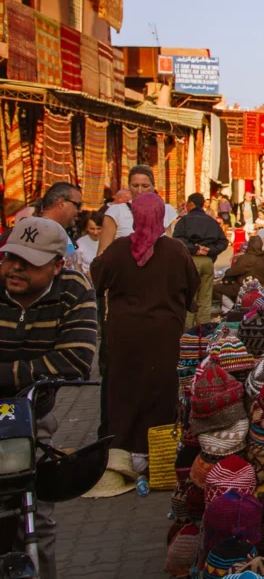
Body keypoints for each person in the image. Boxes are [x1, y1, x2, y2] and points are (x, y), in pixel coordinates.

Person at [0, 217, 96, 579]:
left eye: (30, 261)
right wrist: (33, 367)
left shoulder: (73, 288)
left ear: (57, 266)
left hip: (28, 416)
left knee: (36, 517)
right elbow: (53, 363)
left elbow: (74, 360)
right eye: (11, 257)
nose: (16, 268)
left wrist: (7, 374)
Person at [91, 193, 199, 472]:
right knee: (160, 388)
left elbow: (96, 277)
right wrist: (185, 305)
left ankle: (123, 450)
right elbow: (192, 285)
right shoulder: (176, 250)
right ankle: (156, 451)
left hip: (123, 334)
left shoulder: (117, 250)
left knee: (123, 387)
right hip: (164, 334)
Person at [173, 193, 228, 326]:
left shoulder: (184, 221)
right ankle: (202, 333)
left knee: (189, 298)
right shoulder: (212, 221)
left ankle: (188, 334)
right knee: (205, 300)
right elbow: (223, 242)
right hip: (207, 262)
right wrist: (210, 250)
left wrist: (194, 248)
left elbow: (177, 240)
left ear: (191, 204)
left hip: (190, 261)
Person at [97, 165, 179, 255]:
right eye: (135, 186)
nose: (140, 191)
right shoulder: (116, 211)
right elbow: (103, 252)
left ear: (153, 187)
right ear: (129, 187)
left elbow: (171, 248)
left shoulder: (166, 210)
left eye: (145, 186)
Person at [212, 235, 264, 306]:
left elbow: (232, 272)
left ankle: (230, 307)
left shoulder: (246, 258)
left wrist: (227, 272)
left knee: (214, 288)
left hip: (243, 287)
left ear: (249, 245)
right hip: (260, 289)